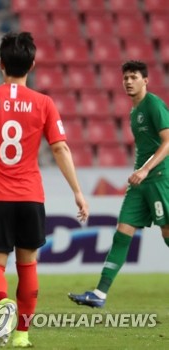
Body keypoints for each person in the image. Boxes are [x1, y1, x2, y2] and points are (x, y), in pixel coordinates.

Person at [0, 32, 89, 347]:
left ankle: (4, 303)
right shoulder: (44, 103)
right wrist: (77, 192)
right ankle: (21, 335)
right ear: (32, 64)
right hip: (31, 196)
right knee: (27, 266)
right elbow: (61, 150)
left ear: (1, 64)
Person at [68, 60, 169, 308]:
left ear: (145, 80)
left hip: (157, 178)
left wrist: (145, 169)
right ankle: (99, 294)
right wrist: (140, 171)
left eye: (134, 77)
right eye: (125, 78)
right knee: (122, 232)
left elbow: (168, 142)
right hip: (140, 182)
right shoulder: (134, 111)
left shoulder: (153, 105)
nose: (128, 81)